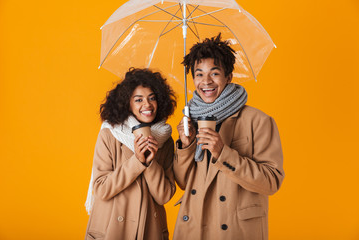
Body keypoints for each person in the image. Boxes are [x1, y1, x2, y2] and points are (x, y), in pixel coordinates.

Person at [173, 34, 285, 240]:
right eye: (199, 74)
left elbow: (271, 182)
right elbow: (182, 183)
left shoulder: (258, 120)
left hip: (235, 230)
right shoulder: (190, 122)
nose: (206, 81)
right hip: (193, 229)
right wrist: (186, 146)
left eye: (214, 73)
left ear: (228, 77)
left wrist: (222, 153)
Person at [85, 68, 176, 240]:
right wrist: (137, 161)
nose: (147, 105)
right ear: (127, 103)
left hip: (150, 231)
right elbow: (101, 189)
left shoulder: (166, 140)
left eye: (152, 98)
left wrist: (150, 163)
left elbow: (164, 195)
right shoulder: (110, 134)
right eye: (138, 99)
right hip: (111, 231)